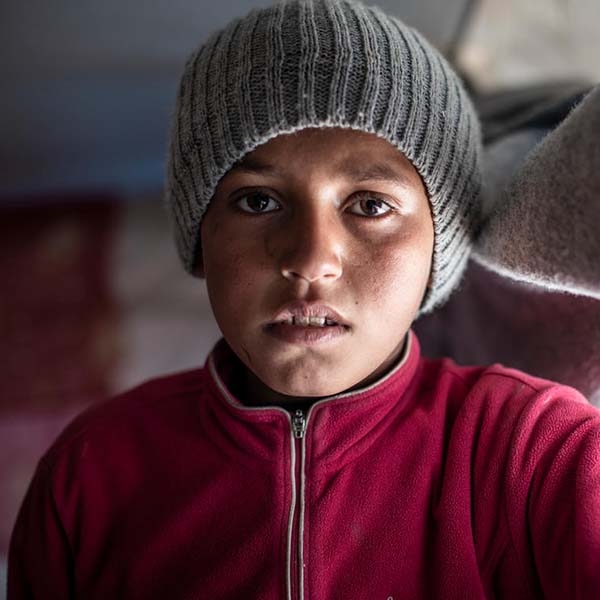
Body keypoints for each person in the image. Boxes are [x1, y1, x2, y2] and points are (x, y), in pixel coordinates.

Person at [8, 0, 600, 598]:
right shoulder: (93, 470)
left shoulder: (540, 454)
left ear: (438, 247)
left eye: (371, 205)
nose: (311, 260)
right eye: (258, 201)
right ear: (199, 236)